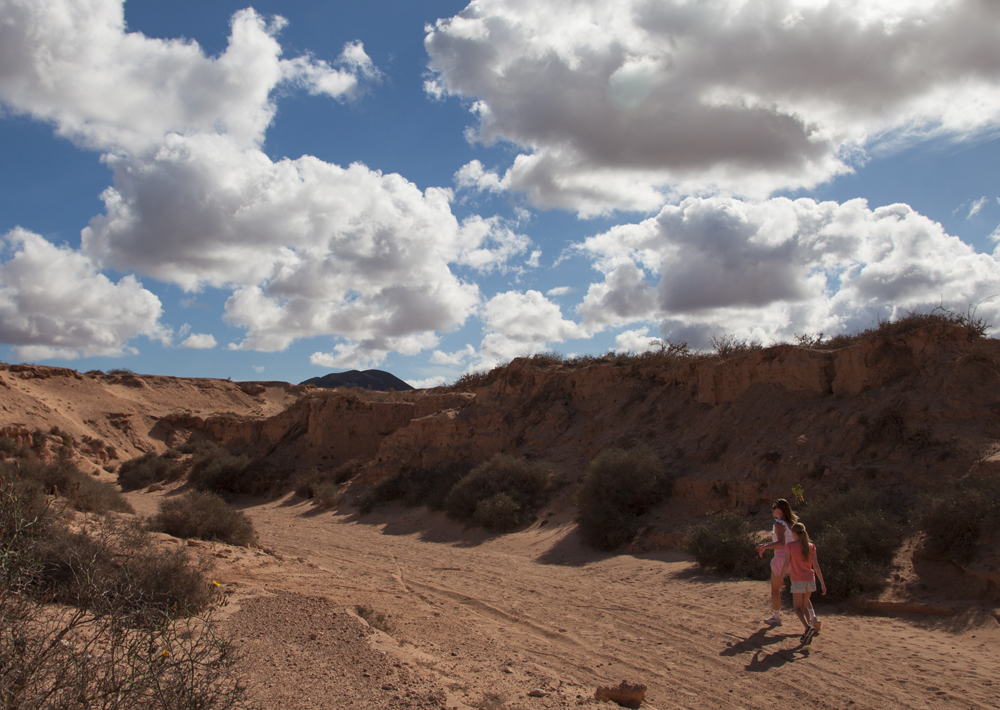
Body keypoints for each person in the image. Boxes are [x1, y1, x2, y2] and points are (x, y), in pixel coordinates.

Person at [780, 522, 827, 644]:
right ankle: (810, 626)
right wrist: (822, 583)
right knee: (805, 605)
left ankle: (807, 627)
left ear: (794, 534)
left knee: (797, 607)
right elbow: (816, 566)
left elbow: (786, 564)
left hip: (797, 580)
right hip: (810, 580)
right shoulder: (811, 546)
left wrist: (781, 577)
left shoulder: (790, 545)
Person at [754, 499, 797, 626]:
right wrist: (766, 545)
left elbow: (781, 543)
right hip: (793, 558)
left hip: (781, 560)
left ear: (781, 509)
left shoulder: (779, 524)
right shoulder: (792, 523)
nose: (772, 509)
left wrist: (765, 546)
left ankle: (776, 616)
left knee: (775, 589)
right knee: (800, 591)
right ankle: (813, 617)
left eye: (774, 507)